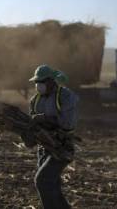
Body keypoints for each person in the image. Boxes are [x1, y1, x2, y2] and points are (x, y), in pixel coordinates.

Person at [27, 64, 78, 209]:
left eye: (41, 82)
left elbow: (68, 123)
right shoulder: (34, 100)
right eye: (37, 82)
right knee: (52, 186)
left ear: (51, 81)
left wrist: (44, 118)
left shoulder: (66, 96)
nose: (38, 85)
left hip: (62, 146)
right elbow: (33, 125)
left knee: (42, 181)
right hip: (44, 147)